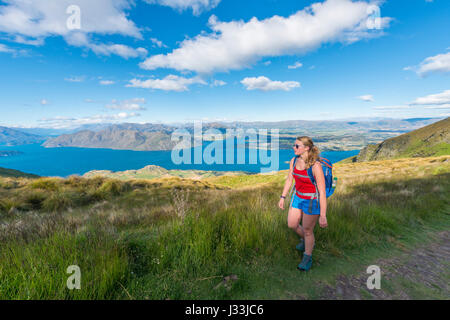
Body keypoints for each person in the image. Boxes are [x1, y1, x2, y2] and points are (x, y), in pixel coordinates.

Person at [278, 136, 328, 271]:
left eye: (297, 146)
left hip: (312, 201)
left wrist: (323, 215)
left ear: (306, 148)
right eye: (294, 145)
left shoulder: (315, 166)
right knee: (292, 224)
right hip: (297, 197)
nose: (293, 148)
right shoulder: (294, 161)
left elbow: (322, 192)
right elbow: (289, 179)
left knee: (307, 230)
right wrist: (283, 197)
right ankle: (307, 241)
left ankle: (307, 257)